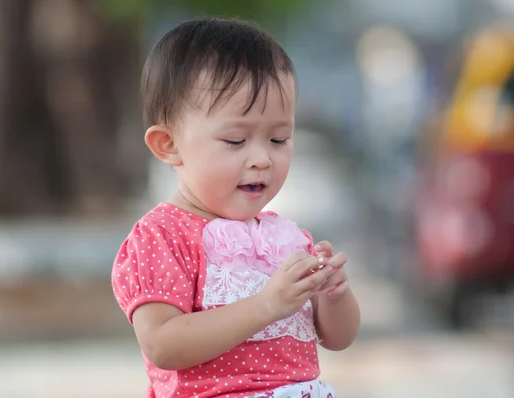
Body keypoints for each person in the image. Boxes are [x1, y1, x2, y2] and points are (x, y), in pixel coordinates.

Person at [111, 17, 361, 398]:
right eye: (235, 140)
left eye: (279, 138)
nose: (261, 158)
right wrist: (266, 305)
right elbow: (162, 343)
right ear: (169, 144)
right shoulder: (163, 236)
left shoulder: (287, 238)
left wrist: (334, 297)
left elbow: (338, 339)